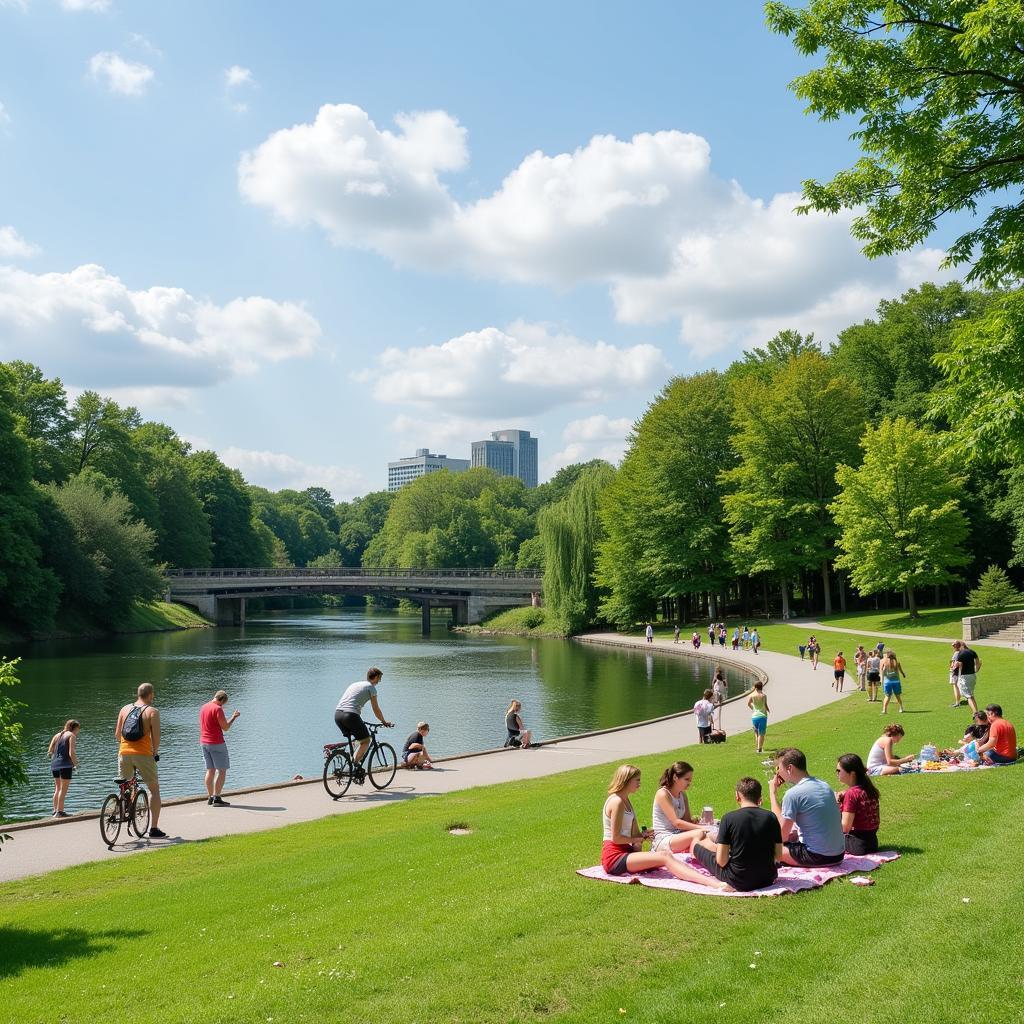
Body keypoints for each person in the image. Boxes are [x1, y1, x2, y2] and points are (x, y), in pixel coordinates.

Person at [600, 764, 731, 890]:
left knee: (667, 857)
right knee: (665, 856)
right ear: (626, 780)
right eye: (637, 780)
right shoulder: (616, 801)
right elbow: (616, 838)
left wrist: (642, 837)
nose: (639, 783)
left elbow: (634, 836)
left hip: (626, 852)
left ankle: (727, 862)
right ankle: (714, 883)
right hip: (614, 857)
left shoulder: (626, 800)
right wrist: (637, 839)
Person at [691, 777, 782, 892]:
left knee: (698, 847)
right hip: (767, 878)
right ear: (759, 797)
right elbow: (778, 856)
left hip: (738, 880)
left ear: (737, 796)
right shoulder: (771, 817)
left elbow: (721, 861)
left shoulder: (729, 818)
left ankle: (697, 844)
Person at [769, 747, 846, 867]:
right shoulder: (824, 785)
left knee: (770, 848)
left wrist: (772, 793)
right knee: (793, 836)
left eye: (778, 768)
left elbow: (781, 837)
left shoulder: (793, 794)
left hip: (818, 856)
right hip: (839, 854)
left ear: (789, 768)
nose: (778, 773)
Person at [115, 682, 165, 838]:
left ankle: (123, 810)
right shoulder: (152, 712)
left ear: (138, 694)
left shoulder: (124, 709)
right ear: (151, 695)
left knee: (126, 787)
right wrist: (154, 752)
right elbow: (156, 738)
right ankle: (154, 829)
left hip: (124, 753)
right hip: (143, 754)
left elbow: (118, 734)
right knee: (154, 790)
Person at [335, 668, 393, 778]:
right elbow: (376, 709)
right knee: (366, 740)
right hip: (350, 715)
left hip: (338, 715)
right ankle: (354, 765)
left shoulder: (354, 684)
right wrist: (384, 722)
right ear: (375, 677)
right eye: (379, 678)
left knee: (358, 738)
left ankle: (350, 764)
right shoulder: (371, 688)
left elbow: (350, 702)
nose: (379, 681)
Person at [650, 761, 707, 854]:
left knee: (710, 835)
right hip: (664, 839)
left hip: (678, 835)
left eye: (690, 780)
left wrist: (697, 822)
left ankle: (725, 857)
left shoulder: (682, 795)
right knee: (699, 833)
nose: (689, 783)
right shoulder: (663, 794)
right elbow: (676, 823)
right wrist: (700, 828)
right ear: (675, 777)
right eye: (687, 779)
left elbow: (686, 821)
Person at [199, 690, 241, 806]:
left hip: (204, 742)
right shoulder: (217, 709)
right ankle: (217, 798)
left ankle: (210, 797)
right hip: (216, 743)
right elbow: (225, 727)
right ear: (221, 700)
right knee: (222, 771)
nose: (222, 706)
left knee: (210, 770)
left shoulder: (204, 707)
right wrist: (233, 717)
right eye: (223, 703)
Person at [835, 753, 881, 855]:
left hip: (856, 845)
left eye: (839, 771)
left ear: (852, 773)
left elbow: (845, 828)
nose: (837, 773)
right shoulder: (869, 789)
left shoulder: (852, 794)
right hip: (872, 843)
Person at [47, 719, 80, 817]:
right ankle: (60, 811)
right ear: (75, 728)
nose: (78, 731)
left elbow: (50, 751)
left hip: (54, 765)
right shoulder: (71, 735)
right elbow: (71, 752)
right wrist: (75, 764)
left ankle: (55, 811)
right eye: (78, 729)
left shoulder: (57, 735)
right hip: (65, 765)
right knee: (63, 789)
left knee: (57, 788)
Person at [953, 640, 982, 714]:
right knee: (970, 694)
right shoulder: (972, 652)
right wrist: (976, 670)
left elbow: (958, 665)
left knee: (969, 696)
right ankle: (976, 711)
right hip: (972, 676)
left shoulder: (960, 654)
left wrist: (954, 667)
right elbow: (978, 662)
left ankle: (975, 713)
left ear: (960, 646)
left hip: (964, 677)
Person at [880, 648, 906, 714]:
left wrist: (881, 681)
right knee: (897, 696)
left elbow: (882, 672)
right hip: (896, 681)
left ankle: (884, 710)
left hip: (887, 682)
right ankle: (901, 708)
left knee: (887, 696)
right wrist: (903, 675)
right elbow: (900, 671)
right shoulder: (897, 662)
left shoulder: (884, 662)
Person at [746, 680, 770, 754]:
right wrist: (768, 710)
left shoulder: (751, 695)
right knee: (762, 733)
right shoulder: (764, 696)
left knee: (756, 732)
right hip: (762, 716)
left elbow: (748, 704)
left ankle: (757, 747)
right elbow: (765, 705)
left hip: (754, 716)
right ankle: (759, 748)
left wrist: (753, 709)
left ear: (755, 687)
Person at [948, 642, 963, 708]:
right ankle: (958, 701)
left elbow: (955, 663)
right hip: (957, 672)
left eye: (953, 646)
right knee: (956, 686)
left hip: (955, 672)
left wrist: (952, 669)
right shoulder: (960, 652)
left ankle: (957, 702)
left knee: (955, 686)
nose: (953, 647)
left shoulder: (956, 653)